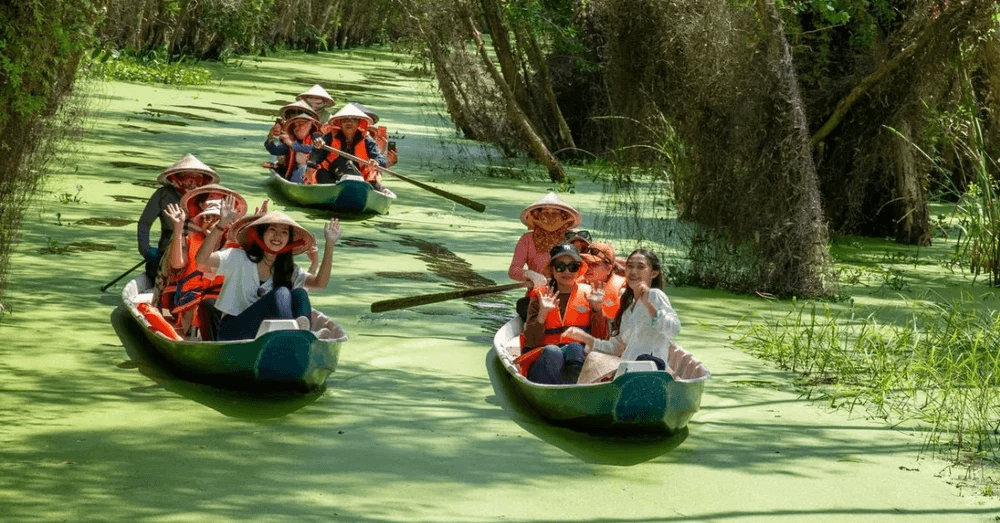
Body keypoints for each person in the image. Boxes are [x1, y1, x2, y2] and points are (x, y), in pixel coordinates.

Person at [196, 204, 341, 342]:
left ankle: (302, 335)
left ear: (288, 240)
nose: (278, 236)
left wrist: (330, 245)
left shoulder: (289, 269)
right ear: (261, 233)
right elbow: (202, 259)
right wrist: (221, 225)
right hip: (233, 332)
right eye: (272, 230)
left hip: (268, 335)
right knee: (282, 292)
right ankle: (294, 336)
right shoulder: (237, 257)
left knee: (300, 293)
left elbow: (320, 284)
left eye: (284, 232)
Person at [563, 249, 681, 380]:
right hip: (628, 373)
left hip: (650, 373)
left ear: (653, 273)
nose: (633, 271)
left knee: (595, 360)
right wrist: (585, 338)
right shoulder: (629, 308)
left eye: (640, 267)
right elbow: (617, 346)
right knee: (594, 358)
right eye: (630, 266)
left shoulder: (655, 296)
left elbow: (674, 328)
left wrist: (649, 304)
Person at [159, 185, 248, 339]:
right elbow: (177, 264)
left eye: (217, 218)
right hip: (194, 296)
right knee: (204, 305)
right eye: (207, 217)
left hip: (223, 296)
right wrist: (178, 228)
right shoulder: (191, 240)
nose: (211, 222)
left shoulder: (234, 245)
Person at [516, 244, 604, 385]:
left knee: (576, 348)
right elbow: (530, 341)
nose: (567, 272)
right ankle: (562, 391)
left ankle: (571, 390)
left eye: (573, 267)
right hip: (544, 360)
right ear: (552, 270)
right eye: (560, 266)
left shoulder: (590, 295)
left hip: (577, 359)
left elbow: (602, 339)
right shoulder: (540, 296)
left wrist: (598, 310)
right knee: (553, 352)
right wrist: (542, 315)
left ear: (579, 269)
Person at [137, 154, 220, 285]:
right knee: (154, 271)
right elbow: (145, 223)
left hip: (201, 252)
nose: (191, 182)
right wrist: (145, 249)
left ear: (203, 179)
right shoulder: (163, 195)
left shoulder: (209, 197)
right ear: (177, 177)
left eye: (196, 177)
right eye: (187, 176)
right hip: (167, 250)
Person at [508, 192, 581, 320]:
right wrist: (531, 275)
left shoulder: (573, 239)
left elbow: (586, 266)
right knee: (523, 306)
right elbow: (513, 271)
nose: (549, 217)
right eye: (545, 213)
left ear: (563, 216)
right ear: (537, 215)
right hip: (537, 296)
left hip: (569, 295)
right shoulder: (527, 239)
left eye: (554, 213)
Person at [305, 103, 389, 192]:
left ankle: (378, 189)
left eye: (353, 120)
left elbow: (380, 158)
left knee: (365, 177)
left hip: (360, 180)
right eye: (345, 120)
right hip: (331, 177)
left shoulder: (367, 139)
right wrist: (318, 148)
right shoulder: (329, 137)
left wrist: (376, 162)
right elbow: (315, 159)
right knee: (322, 173)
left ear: (358, 123)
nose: (349, 123)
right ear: (339, 123)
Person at [579, 242, 626, 340]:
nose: (587, 268)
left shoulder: (622, 294)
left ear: (608, 268)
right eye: (585, 263)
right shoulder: (578, 286)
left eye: (594, 264)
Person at [264, 114, 320, 183]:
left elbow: (314, 149)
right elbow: (274, 151)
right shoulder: (292, 139)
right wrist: (270, 137)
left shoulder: (317, 137)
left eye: (302, 124)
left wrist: (291, 143)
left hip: (314, 172)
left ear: (309, 125)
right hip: (296, 174)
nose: (298, 128)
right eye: (296, 125)